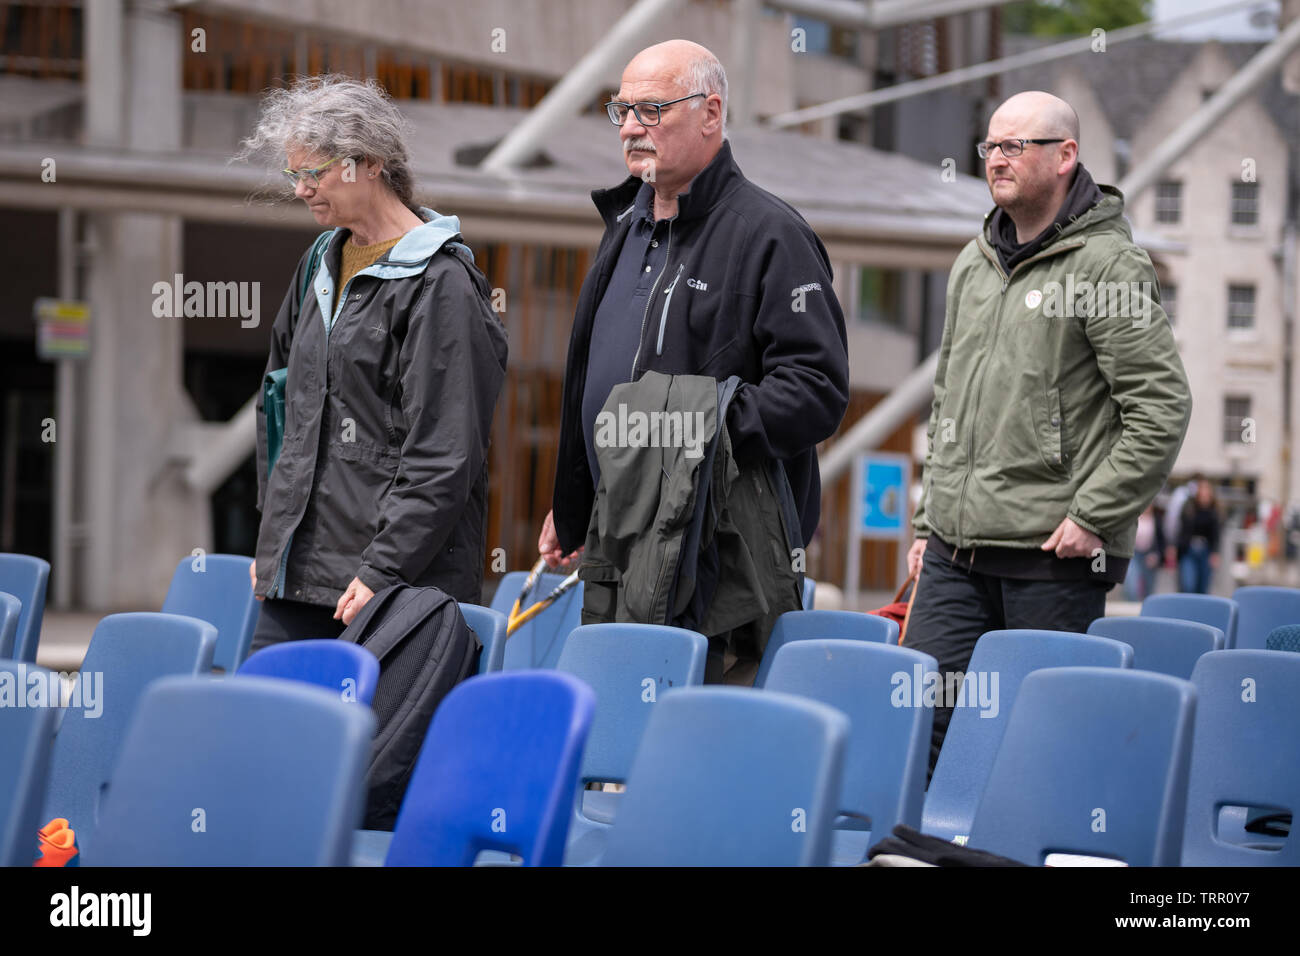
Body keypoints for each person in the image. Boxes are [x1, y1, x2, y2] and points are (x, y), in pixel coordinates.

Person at [537, 39, 849, 683]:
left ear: (711, 113)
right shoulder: (624, 226)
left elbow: (817, 390)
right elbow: (590, 387)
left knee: (692, 754)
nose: (629, 127)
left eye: (651, 110)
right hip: (616, 538)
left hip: (720, 565)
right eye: (621, 109)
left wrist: (690, 438)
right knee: (615, 749)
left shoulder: (771, 234)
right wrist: (577, 500)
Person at [904, 91, 1191, 773]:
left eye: (1015, 146)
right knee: (916, 728)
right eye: (990, 147)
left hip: (1051, 558)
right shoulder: (974, 263)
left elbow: (1162, 407)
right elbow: (949, 403)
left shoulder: (1107, 265)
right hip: (953, 552)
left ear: (1065, 157)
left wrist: (1095, 515)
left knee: (1033, 746)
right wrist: (926, 520)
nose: (997, 160)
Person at [242, 75, 508, 654]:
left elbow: (444, 455)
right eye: (295, 175)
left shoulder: (443, 285)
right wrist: (274, 544)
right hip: (298, 577)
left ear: (370, 163)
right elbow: (281, 411)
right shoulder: (319, 261)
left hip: (390, 588)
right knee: (264, 735)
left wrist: (382, 571)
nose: (300, 190)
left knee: (368, 745)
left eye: (313, 174)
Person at [1176, 480, 1221, 594]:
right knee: (1188, 584)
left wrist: (1215, 553)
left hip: (1206, 551)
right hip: (1189, 549)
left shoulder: (1214, 513)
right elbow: (1181, 530)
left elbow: (1216, 535)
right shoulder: (1189, 509)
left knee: (1202, 587)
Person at [1123, 503, 1164, 602]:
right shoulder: (1132, 518)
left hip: (1149, 555)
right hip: (1133, 554)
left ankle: (1146, 611)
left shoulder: (1157, 519)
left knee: (1149, 588)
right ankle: (1132, 610)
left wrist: (1156, 554)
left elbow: (1161, 540)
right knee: (1131, 586)